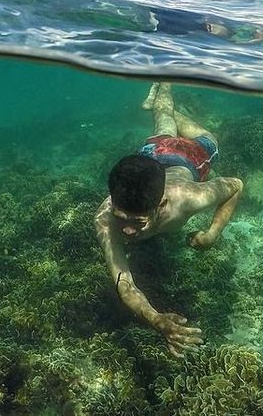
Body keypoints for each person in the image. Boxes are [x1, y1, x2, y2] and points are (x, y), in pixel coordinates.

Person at [94, 83, 244, 356]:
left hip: (190, 159)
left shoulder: (189, 197)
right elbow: (123, 281)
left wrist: (212, 234)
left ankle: (167, 82)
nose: (126, 231)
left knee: (208, 138)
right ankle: (164, 83)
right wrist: (155, 318)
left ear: (161, 204)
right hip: (152, 155)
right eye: (121, 218)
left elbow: (235, 185)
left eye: (138, 223)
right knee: (162, 120)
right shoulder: (105, 218)